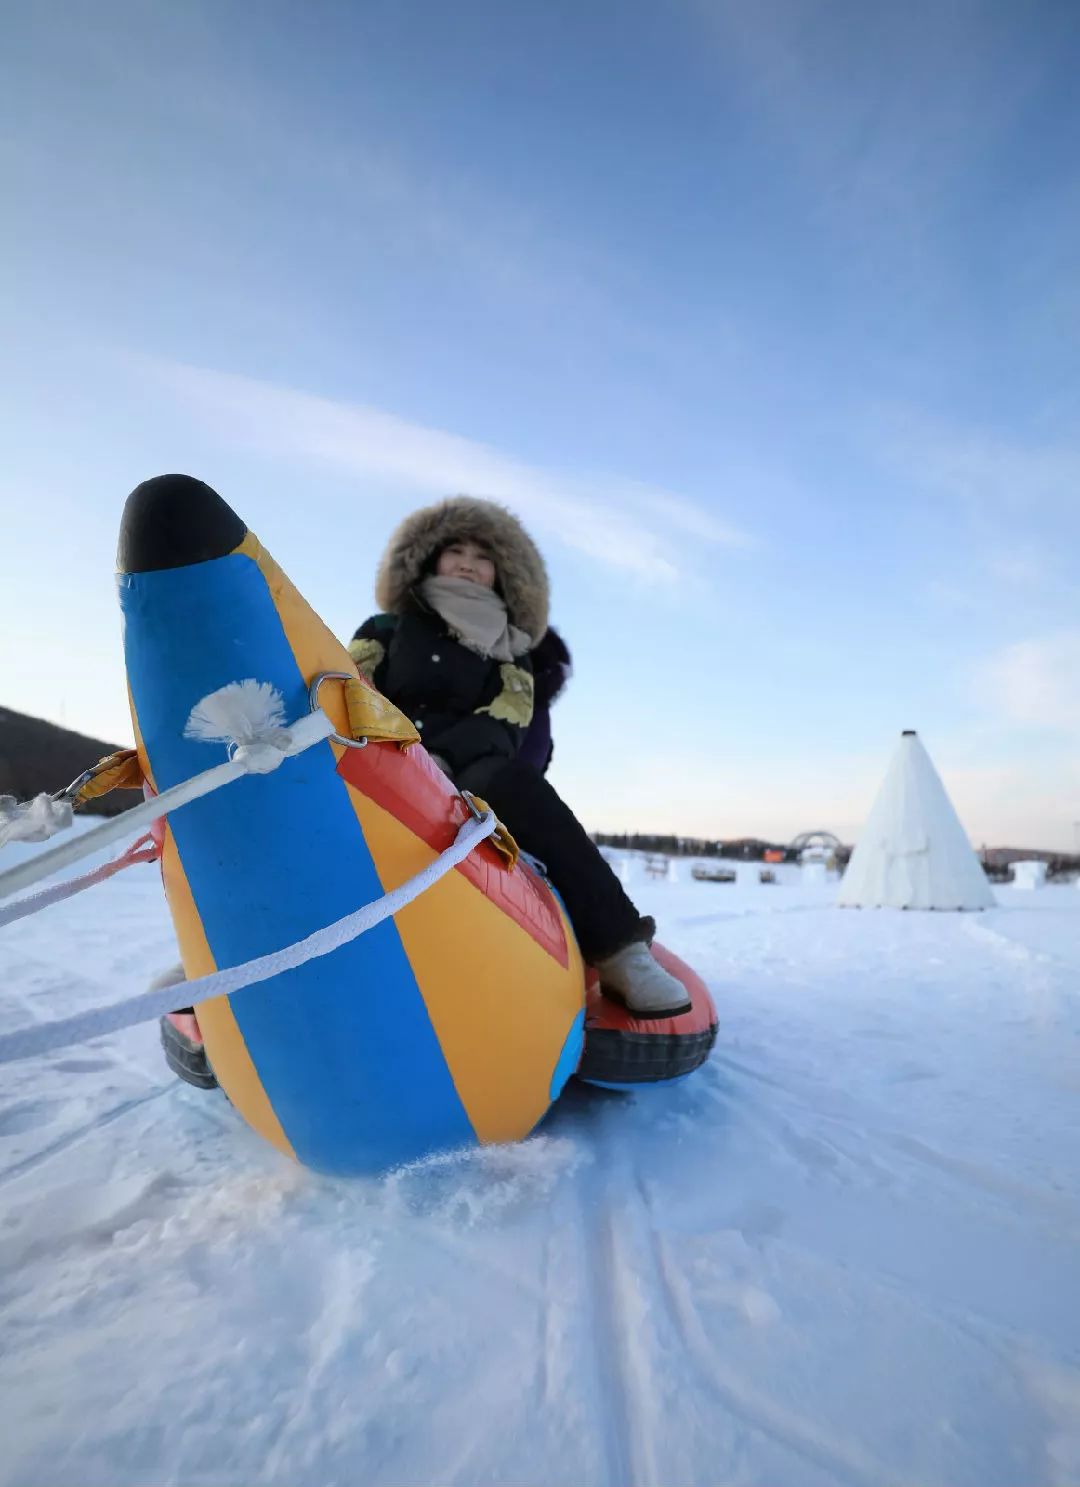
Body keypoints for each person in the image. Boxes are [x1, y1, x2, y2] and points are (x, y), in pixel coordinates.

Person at [349, 495, 691, 1019]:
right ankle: (238, 945)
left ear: (502, 574)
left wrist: (435, 758)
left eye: (482, 557)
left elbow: (505, 723)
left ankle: (621, 951)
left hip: (472, 770)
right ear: (427, 559)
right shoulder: (386, 629)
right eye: (455, 550)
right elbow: (353, 685)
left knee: (515, 784)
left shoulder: (514, 653)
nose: (467, 562)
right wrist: (402, 746)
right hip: (378, 751)